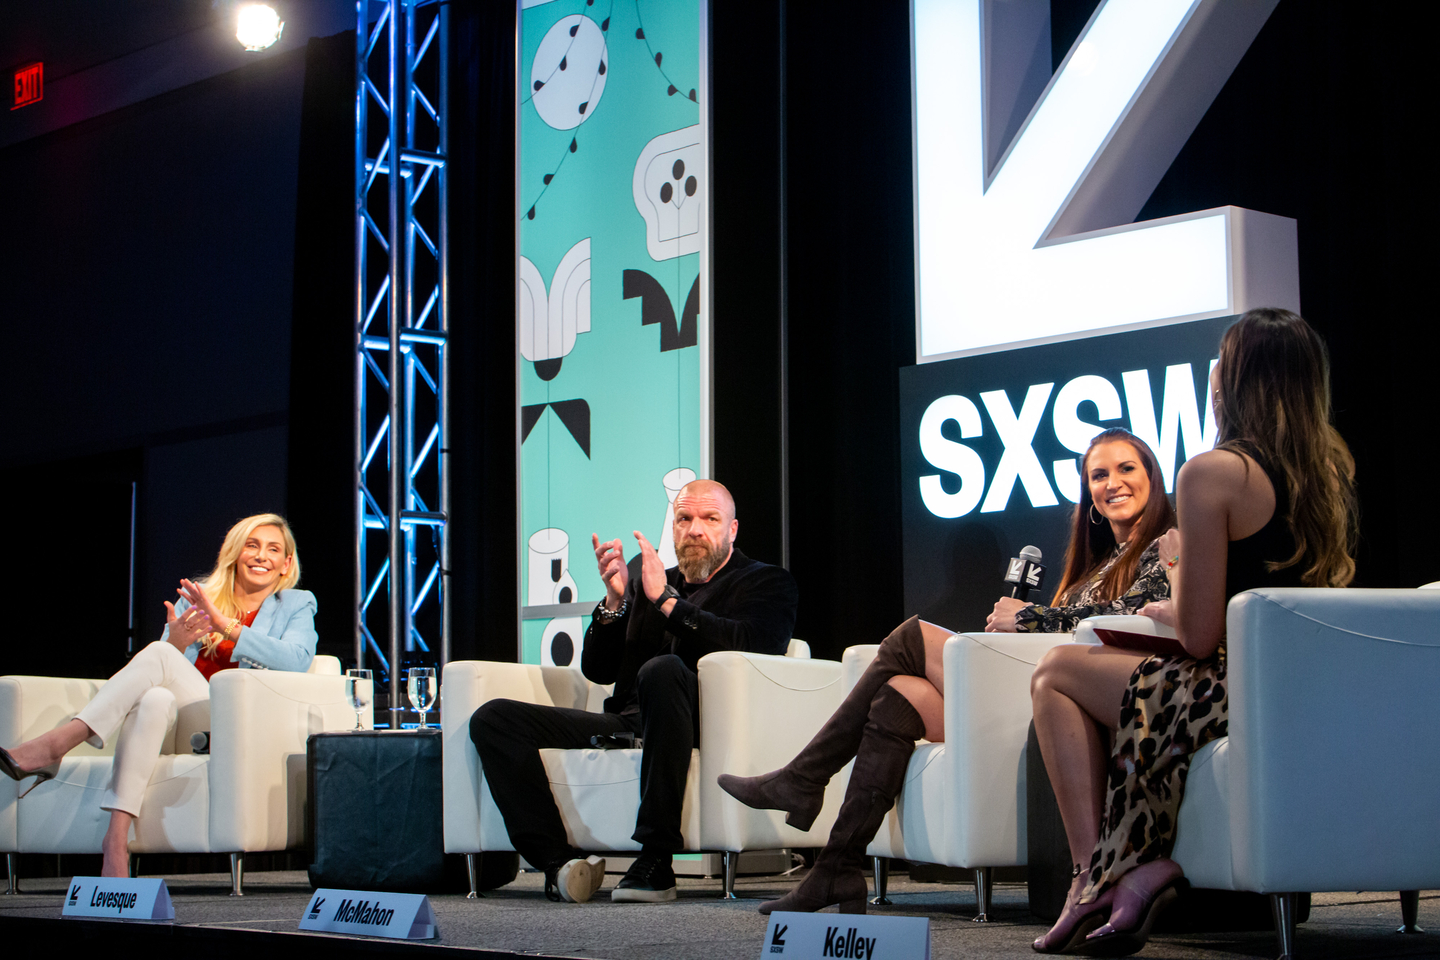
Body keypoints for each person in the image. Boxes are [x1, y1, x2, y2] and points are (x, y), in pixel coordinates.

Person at [719, 428, 1177, 914]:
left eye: (1126, 469)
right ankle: (837, 868)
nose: (1112, 483)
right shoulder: (1096, 564)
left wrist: (1025, 617)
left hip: (1079, 701)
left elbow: (1133, 614)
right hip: (1035, 697)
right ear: (1088, 496)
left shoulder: (1165, 546)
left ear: (1153, 476)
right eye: (1099, 475)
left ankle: (803, 777)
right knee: (895, 696)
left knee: (910, 637)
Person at [1030, 308, 1358, 955]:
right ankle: (1123, 874)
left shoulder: (1213, 474)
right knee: (1075, 673)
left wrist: (1171, 589)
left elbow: (1201, 637)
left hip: (1231, 687)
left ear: (1230, 382)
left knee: (1055, 674)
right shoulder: (1333, 471)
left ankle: (1091, 875)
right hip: (1311, 685)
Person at [469, 479, 798, 904]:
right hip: (627, 721)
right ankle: (559, 865)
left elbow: (755, 645)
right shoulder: (651, 581)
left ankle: (656, 858)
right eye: (684, 518)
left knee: (663, 670)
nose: (695, 529)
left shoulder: (766, 582)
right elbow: (599, 670)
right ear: (674, 527)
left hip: (701, 723)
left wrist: (667, 603)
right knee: (494, 719)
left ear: (732, 529)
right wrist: (615, 602)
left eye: (709, 519)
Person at [0, 514, 317, 878]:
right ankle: (115, 840)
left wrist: (224, 626)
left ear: (286, 563)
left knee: (158, 654)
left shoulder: (295, 604)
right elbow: (162, 673)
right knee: (154, 699)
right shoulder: (198, 599)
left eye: (273, 549)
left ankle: (57, 744)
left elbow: (296, 660)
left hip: (235, 723)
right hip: (183, 721)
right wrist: (177, 642)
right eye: (252, 545)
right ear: (234, 552)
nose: (262, 556)